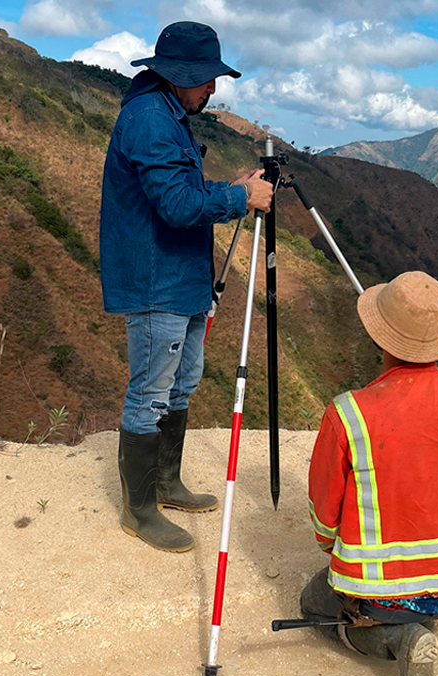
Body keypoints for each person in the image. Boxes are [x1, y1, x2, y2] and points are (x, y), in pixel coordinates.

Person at [99, 22, 273, 553]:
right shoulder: (150, 120)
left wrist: (232, 189)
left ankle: (167, 484)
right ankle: (140, 510)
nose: (212, 90)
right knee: (151, 393)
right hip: (157, 280)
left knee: (182, 383)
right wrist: (242, 201)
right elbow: (177, 207)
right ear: (179, 76)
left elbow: (182, 187)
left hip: (182, 274)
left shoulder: (166, 114)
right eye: (205, 80)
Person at [302, 271, 438, 676]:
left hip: (377, 587)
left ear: (381, 339)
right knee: (422, 599)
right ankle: (422, 622)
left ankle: (400, 641)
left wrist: (337, 553)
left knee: (315, 602)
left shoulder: (349, 414)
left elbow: (326, 519)